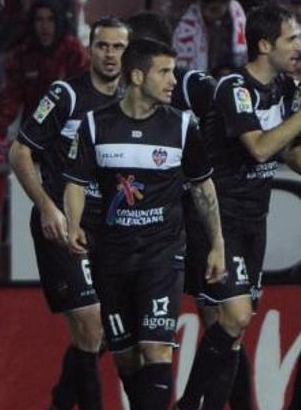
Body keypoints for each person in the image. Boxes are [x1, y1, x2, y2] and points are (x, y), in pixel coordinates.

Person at [175, 5, 301, 410]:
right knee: (233, 318)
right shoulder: (235, 86)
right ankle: (187, 404)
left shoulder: (287, 88)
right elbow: (260, 147)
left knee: (234, 333)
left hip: (255, 219)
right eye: (290, 39)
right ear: (265, 44)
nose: (298, 47)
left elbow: (289, 149)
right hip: (219, 219)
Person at [63, 38, 226, 410]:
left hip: (162, 255)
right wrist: (73, 222)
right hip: (112, 257)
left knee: (156, 348)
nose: (173, 81)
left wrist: (217, 242)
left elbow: (203, 188)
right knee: (127, 357)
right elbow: (75, 182)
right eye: (165, 72)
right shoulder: (95, 125)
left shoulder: (182, 126)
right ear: (137, 75)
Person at [126, 10, 254, 410]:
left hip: (196, 219)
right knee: (124, 336)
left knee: (223, 320)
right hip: (149, 227)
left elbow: (234, 109)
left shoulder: (193, 87)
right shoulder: (120, 105)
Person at [8, 17, 130, 410]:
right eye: (102, 46)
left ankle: (61, 403)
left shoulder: (132, 100)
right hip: (63, 221)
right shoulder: (66, 95)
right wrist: (45, 206)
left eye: (118, 47)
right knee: (91, 321)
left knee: (103, 332)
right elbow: (20, 152)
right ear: (89, 49)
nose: (110, 55)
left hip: (107, 227)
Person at [0, 0, 88, 139]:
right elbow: (9, 99)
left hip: (71, 127)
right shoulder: (23, 55)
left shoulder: (73, 51)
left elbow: (85, 92)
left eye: (50, 19)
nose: (45, 26)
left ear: (59, 21)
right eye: (39, 20)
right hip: (34, 130)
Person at [172, 0, 247, 77]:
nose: (206, 13)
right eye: (203, 8)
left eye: (214, 9)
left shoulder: (236, 18)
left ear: (228, 2)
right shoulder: (187, 23)